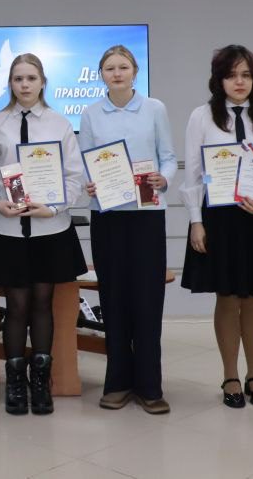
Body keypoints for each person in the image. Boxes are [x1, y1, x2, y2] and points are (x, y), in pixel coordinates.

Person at [182, 45, 253, 410]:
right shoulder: (201, 117)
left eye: (246, 75)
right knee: (227, 297)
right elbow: (193, 175)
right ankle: (230, 375)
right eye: (231, 75)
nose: (239, 82)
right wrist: (195, 222)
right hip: (218, 218)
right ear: (219, 80)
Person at [0, 53, 87, 415]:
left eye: (31, 78)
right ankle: (15, 383)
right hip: (8, 229)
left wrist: (52, 207)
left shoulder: (59, 123)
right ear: (10, 83)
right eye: (18, 78)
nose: (24, 85)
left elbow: (74, 177)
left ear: (43, 82)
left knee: (42, 304)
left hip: (49, 229)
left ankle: (41, 381)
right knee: (16, 305)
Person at [79, 45, 177, 415]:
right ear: (101, 74)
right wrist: (90, 182)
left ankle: (150, 386)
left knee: (148, 299)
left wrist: (163, 178)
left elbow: (169, 157)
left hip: (147, 214)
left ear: (135, 71)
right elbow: (86, 161)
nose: (117, 73)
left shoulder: (154, 108)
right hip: (107, 216)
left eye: (123, 67)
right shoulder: (91, 113)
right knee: (114, 298)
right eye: (109, 68)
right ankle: (118, 383)